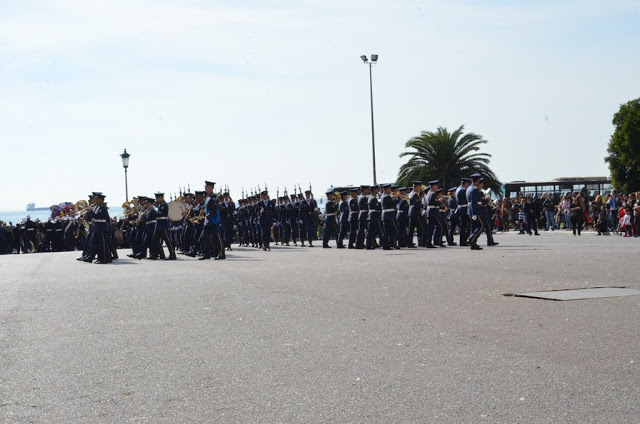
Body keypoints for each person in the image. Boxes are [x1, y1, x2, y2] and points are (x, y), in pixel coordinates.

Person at [152, 192, 177, 260]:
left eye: (157, 198)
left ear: (161, 198)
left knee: (167, 240)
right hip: (158, 224)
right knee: (155, 239)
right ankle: (158, 254)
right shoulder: (159, 205)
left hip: (163, 224)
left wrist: (154, 209)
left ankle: (172, 254)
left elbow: (159, 214)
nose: (156, 199)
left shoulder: (163, 205)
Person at [466, 174, 484, 250]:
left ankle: (473, 244)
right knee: (481, 226)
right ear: (478, 180)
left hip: (470, 210)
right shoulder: (474, 189)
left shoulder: (469, 188)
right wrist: (474, 213)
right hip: (475, 210)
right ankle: (471, 239)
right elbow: (474, 202)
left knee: (473, 227)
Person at [380, 183, 398, 250]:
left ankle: (386, 245)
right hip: (389, 215)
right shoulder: (386, 197)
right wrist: (396, 198)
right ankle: (392, 243)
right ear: (385, 189)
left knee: (386, 231)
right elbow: (392, 204)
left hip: (386, 215)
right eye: (389, 188)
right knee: (395, 229)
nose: (390, 190)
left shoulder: (383, 196)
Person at [407, 181, 424, 248]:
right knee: (421, 227)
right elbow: (417, 204)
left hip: (412, 213)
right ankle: (421, 242)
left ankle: (409, 243)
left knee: (411, 229)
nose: (420, 188)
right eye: (419, 186)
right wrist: (422, 205)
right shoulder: (414, 195)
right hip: (415, 213)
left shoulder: (412, 194)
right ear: (416, 187)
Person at [424, 180, 439, 248]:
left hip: (430, 212)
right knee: (433, 228)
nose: (437, 187)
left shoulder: (428, 193)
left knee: (430, 228)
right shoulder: (433, 194)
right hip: (433, 212)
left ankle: (428, 242)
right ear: (433, 187)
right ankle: (431, 242)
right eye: (436, 186)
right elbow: (435, 203)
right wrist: (439, 201)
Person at [455, 178, 471, 246]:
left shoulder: (459, 189)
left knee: (463, 226)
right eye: (468, 184)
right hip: (464, 209)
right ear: (465, 183)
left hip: (461, 208)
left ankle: (463, 240)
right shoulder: (463, 190)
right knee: (467, 225)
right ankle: (464, 240)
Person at [366, 185, 382, 249]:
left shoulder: (372, 197)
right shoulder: (373, 198)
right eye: (376, 190)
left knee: (371, 231)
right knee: (380, 230)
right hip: (374, 215)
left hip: (372, 215)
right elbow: (378, 207)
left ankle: (368, 245)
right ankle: (384, 243)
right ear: (374, 190)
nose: (377, 191)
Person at [355, 185, 370, 249]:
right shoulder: (363, 198)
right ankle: (360, 243)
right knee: (367, 230)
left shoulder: (360, 197)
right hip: (364, 215)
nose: (368, 191)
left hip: (362, 215)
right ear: (364, 190)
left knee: (361, 230)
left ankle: (359, 243)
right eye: (367, 189)